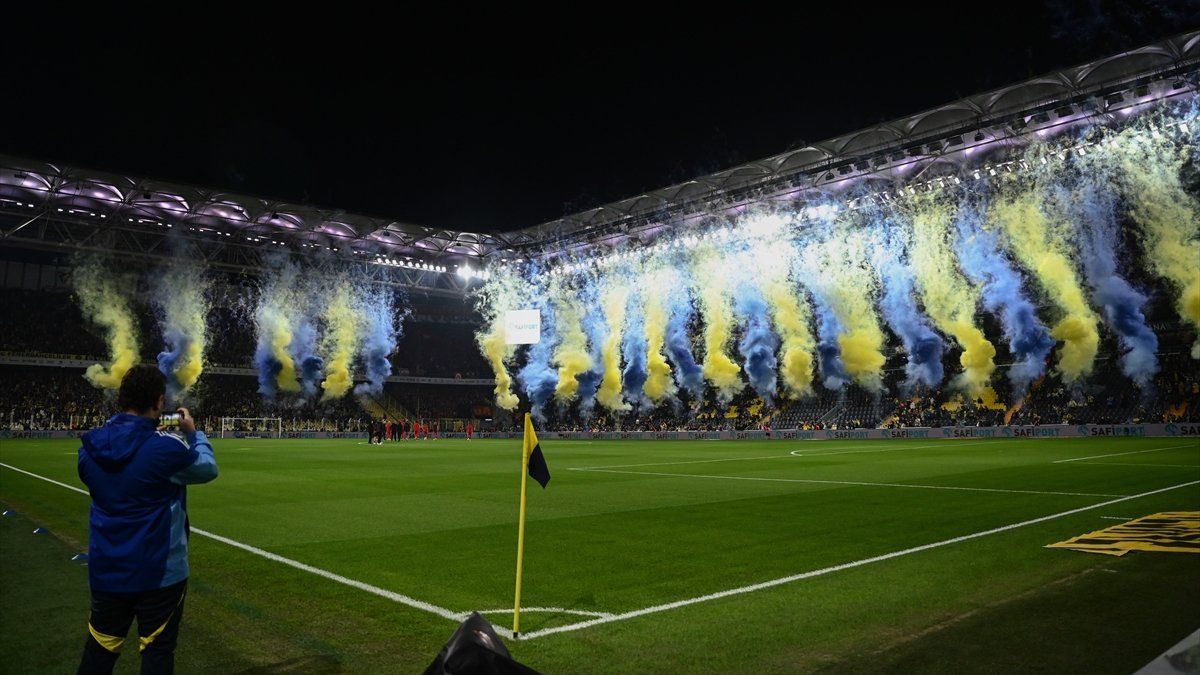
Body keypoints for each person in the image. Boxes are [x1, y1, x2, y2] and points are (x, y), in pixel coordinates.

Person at [76, 365, 218, 675]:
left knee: (98, 654)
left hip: (106, 570)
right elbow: (207, 469)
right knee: (157, 653)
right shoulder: (165, 448)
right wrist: (193, 433)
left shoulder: (89, 449)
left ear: (121, 399)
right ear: (159, 402)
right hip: (159, 573)